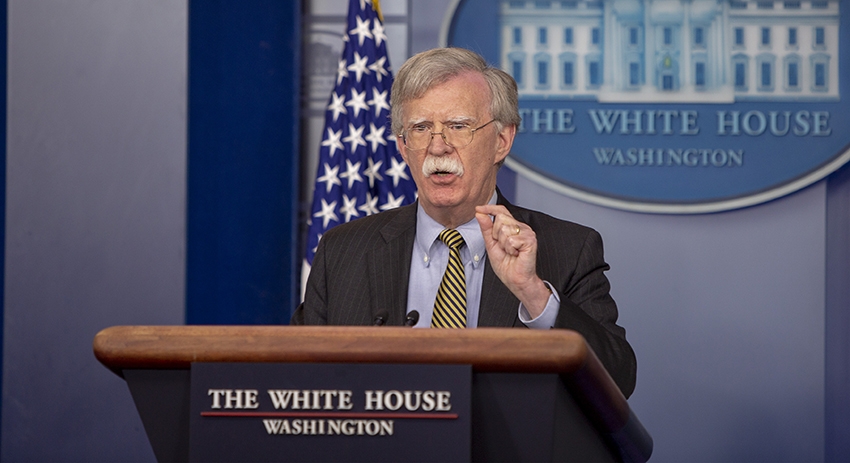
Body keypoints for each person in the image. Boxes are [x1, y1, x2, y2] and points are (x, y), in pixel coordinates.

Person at [293, 47, 636, 397]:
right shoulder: (343, 252)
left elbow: (617, 381)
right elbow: (299, 385)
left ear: (502, 141)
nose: (437, 147)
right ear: (403, 146)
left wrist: (533, 293)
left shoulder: (568, 249)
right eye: (421, 128)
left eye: (458, 127)